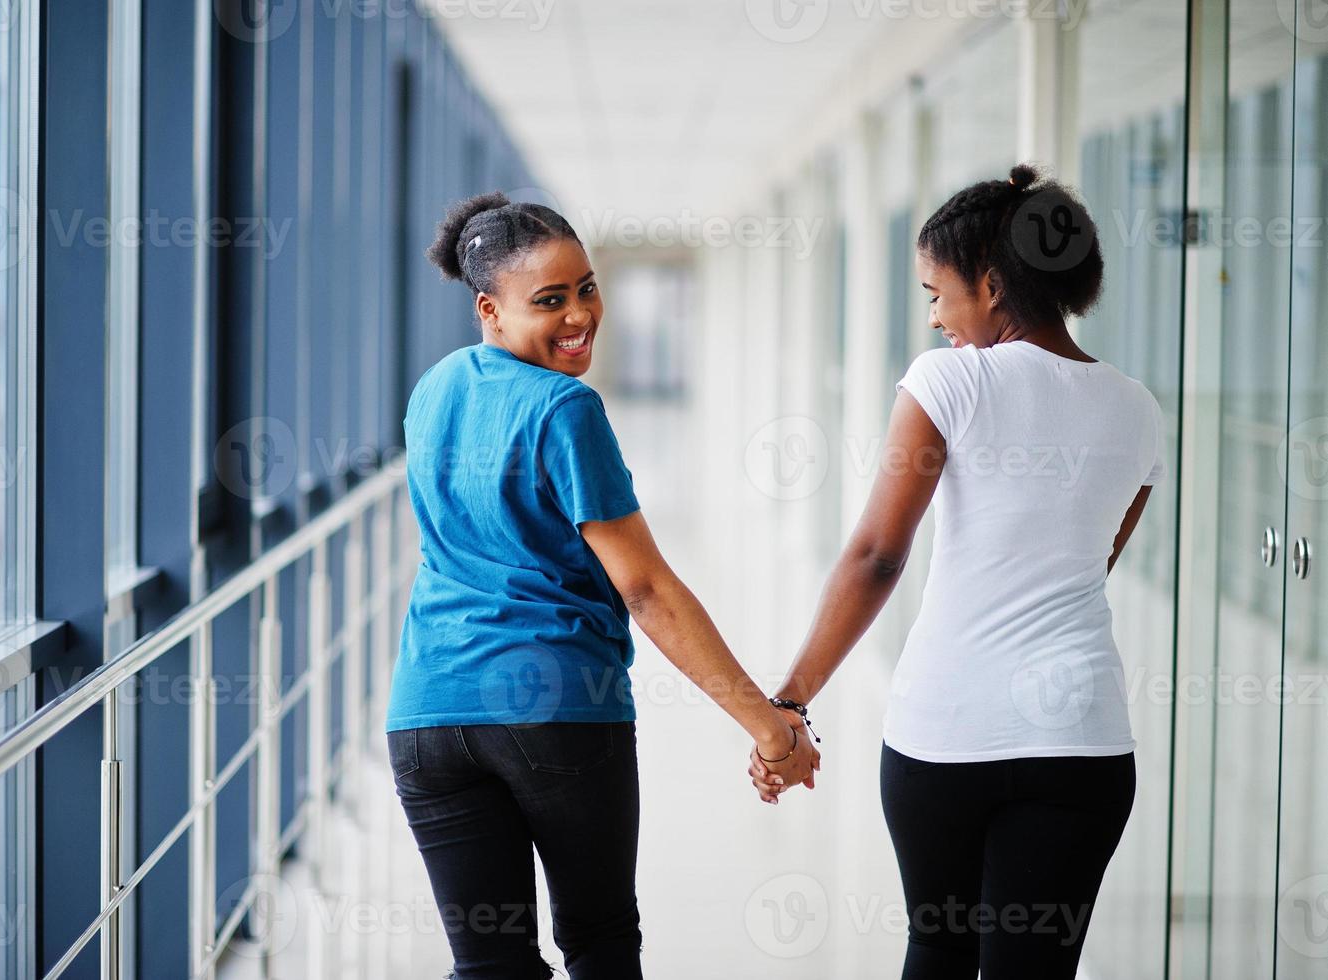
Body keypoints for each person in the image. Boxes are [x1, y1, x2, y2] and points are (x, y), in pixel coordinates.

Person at [386, 191, 818, 980]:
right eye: (548, 301)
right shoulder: (564, 406)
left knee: (487, 965)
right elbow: (645, 589)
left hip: (425, 716)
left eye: (586, 287)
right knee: (600, 942)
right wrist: (767, 726)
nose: (580, 314)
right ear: (488, 307)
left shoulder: (434, 388)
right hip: (553, 708)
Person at [750, 164, 1165, 979]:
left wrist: (789, 700)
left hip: (947, 730)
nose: (934, 316)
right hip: (1080, 736)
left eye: (936, 293)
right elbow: (1094, 560)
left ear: (990, 283)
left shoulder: (949, 380)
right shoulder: (1137, 407)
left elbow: (876, 555)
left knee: (938, 947)